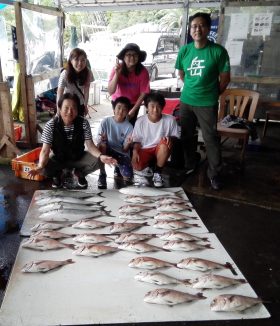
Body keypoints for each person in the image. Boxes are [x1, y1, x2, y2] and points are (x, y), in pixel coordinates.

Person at [175, 12, 231, 190]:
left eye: (201, 25)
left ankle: (214, 173)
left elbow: (225, 77)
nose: (197, 29)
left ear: (207, 28)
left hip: (207, 102)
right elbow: (182, 74)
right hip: (186, 101)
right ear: (190, 30)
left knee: (210, 138)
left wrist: (213, 93)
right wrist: (192, 88)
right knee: (187, 135)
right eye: (193, 26)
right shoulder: (185, 50)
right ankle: (190, 164)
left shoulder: (218, 51)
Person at [27, 93, 117, 189]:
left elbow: (90, 145)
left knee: (98, 160)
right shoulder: (51, 125)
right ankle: (57, 175)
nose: (70, 112)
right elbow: (45, 150)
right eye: (66, 108)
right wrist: (40, 166)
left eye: (73, 108)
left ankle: (80, 173)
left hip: (78, 157)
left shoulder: (83, 123)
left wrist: (101, 156)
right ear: (60, 109)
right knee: (43, 166)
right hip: (58, 158)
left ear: (77, 110)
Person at [132, 92, 179, 188]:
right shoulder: (140, 121)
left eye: (158, 106)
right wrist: (134, 151)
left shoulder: (170, 120)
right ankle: (150, 165)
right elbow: (137, 140)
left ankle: (157, 172)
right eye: (152, 106)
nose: (155, 110)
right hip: (145, 149)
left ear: (162, 107)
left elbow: (176, 137)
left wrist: (171, 139)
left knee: (165, 144)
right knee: (136, 165)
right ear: (146, 107)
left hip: (160, 149)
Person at [108, 43, 150, 126]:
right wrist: (117, 74)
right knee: (117, 124)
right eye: (128, 55)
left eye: (135, 55)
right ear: (123, 57)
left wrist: (133, 110)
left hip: (133, 103)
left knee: (130, 126)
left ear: (138, 57)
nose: (132, 57)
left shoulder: (143, 72)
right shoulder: (117, 68)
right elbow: (110, 91)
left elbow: (143, 93)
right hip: (118, 102)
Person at [96, 96, 134, 189]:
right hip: (106, 149)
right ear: (114, 108)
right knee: (101, 145)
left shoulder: (129, 127)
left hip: (120, 152)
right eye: (119, 107)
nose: (121, 111)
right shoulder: (105, 121)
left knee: (128, 175)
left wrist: (128, 143)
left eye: (124, 109)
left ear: (128, 111)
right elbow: (98, 141)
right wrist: (103, 139)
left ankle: (118, 167)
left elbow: (125, 149)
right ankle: (102, 174)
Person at [57, 48, 94, 116]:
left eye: (83, 60)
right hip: (67, 104)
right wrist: (59, 109)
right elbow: (60, 93)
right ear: (71, 61)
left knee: (79, 125)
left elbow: (86, 91)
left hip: (80, 104)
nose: (80, 63)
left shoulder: (88, 73)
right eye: (76, 59)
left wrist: (85, 105)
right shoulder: (65, 74)